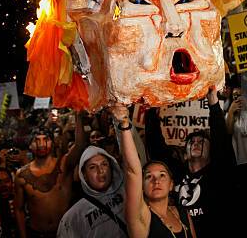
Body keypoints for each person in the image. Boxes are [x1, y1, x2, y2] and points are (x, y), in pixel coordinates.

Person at [145, 86, 235, 237]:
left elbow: (222, 141)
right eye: (191, 141)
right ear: (185, 154)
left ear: (211, 151)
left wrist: (213, 104)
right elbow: (156, 148)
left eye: (202, 141)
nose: (196, 143)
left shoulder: (218, 173)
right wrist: (152, 111)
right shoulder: (176, 174)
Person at [113, 104, 197, 238]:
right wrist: (124, 124)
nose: (156, 180)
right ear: (142, 186)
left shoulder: (182, 213)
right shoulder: (140, 218)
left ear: (171, 185)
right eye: (148, 177)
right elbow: (132, 171)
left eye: (162, 175)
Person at [14, 112, 86, 238]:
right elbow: (19, 210)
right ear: (30, 145)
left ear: (52, 142)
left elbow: (80, 145)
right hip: (37, 234)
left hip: (66, 232)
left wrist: (78, 116)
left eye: (46, 139)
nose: (41, 144)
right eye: (36, 141)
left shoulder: (63, 164)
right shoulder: (21, 175)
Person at [57, 145, 127, 238]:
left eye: (104, 164)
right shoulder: (74, 216)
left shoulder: (128, 192)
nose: (100, 171)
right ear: (84, 175)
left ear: (112, 167)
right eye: (92, 167)